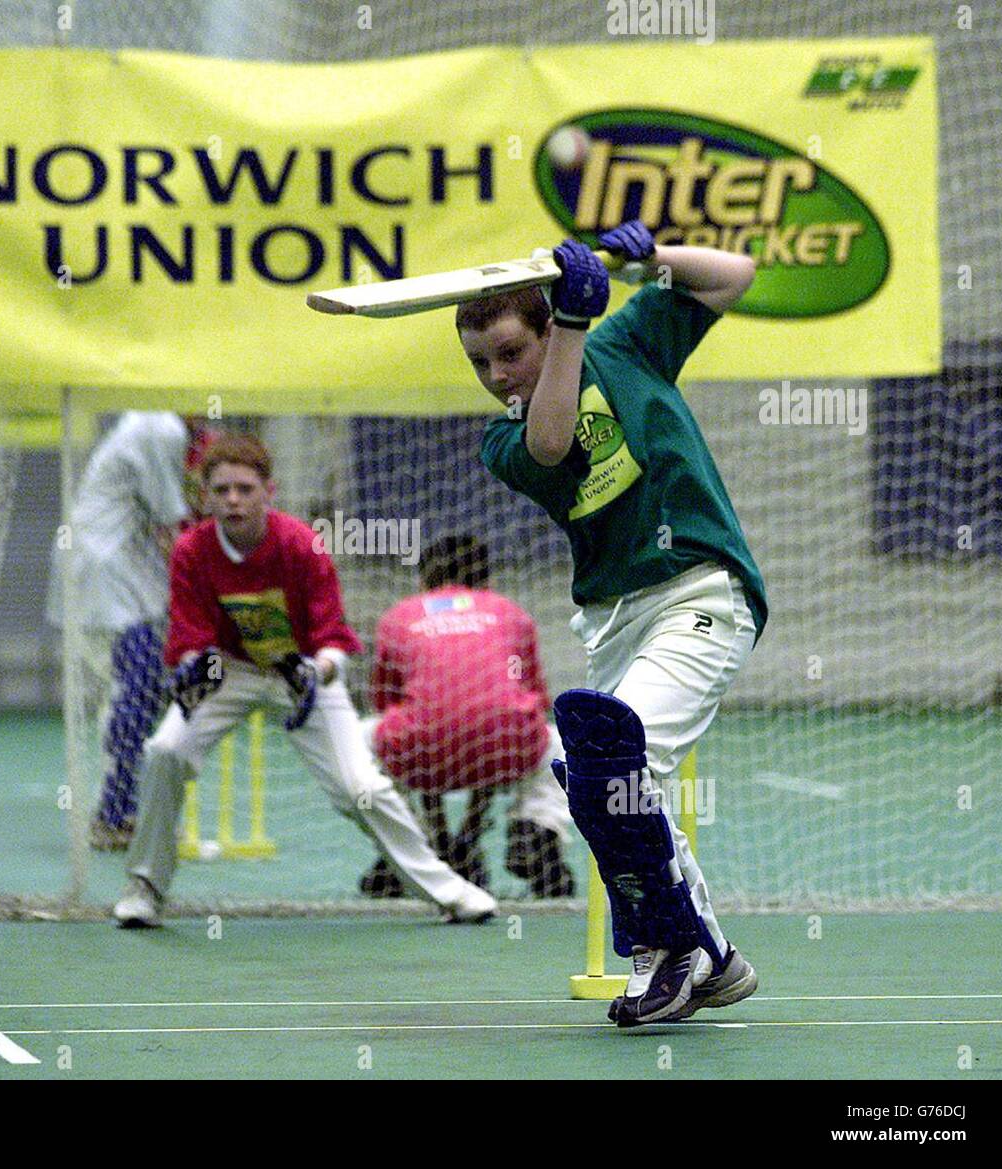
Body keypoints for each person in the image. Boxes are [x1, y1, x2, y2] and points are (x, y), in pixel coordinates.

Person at [458, 222, 767, 1027]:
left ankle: (672, 949)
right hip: (614, 620)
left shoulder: (627, 344)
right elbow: (554, 440)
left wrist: (647, 259)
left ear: (543, 328)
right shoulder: (506, 439)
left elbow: (734, 274)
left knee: (620, 753)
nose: (497, 375)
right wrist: (566, 325)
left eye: (509, 353)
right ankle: (711, 954)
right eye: (480, 363)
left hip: (700, 588)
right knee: (592, 768)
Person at [113, 433, 497, 927]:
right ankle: (144, 888)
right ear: (204, 495)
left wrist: (315, 670)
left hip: (304, 675)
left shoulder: (300, 545)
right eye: (223, 489)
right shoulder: (190, 550)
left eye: (245, 489)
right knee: (166, 751)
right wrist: (198, 668)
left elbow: (333, 635)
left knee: (361, 789)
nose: (233, 499)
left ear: (268, 492)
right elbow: (191, 635)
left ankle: (450, 891)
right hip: (228, 672)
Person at [360, 533, 577, 898]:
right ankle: (536, 829)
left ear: (423, 581)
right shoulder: (509, 612)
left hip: (421, 748)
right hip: (506, 743)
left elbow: (388, 706)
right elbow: (532, 702)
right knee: (553, 745)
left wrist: (444, 836)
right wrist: (467, 836)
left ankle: (408, 848)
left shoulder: (399, 616)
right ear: (487, 581)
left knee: (364, 741)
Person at [48, 411, 212, 850]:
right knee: (134, 690)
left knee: (138, 691)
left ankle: (120, 810)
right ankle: (116, 814)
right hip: (105, 579)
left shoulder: (157, 426)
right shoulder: (161, 426)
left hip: (121, 578)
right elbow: (170, 523)